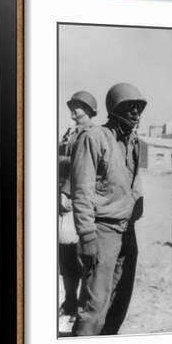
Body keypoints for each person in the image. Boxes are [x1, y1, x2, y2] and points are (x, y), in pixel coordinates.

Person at [70, 83, 147, 336]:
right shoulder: (93, 138)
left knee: (119, 305)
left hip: (128, 233)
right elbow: (82, 190)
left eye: (139, 108)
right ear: (114, 110)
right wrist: (87, 235)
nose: (135, 113)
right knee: (93, 308)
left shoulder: (134, 142)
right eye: (129, 107)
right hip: (102, 233)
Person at [58, 90, 97, 317]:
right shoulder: (69, 133)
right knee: (65, 254)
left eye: (78, 106)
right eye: (72, 105)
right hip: (62, 201)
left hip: (77, 201)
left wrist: (66, 193)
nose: (73, 110)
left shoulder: (90, 133)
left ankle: (80, 303)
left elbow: (81, 168)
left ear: (90, 109)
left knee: (78, 254)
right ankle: (70, 300)